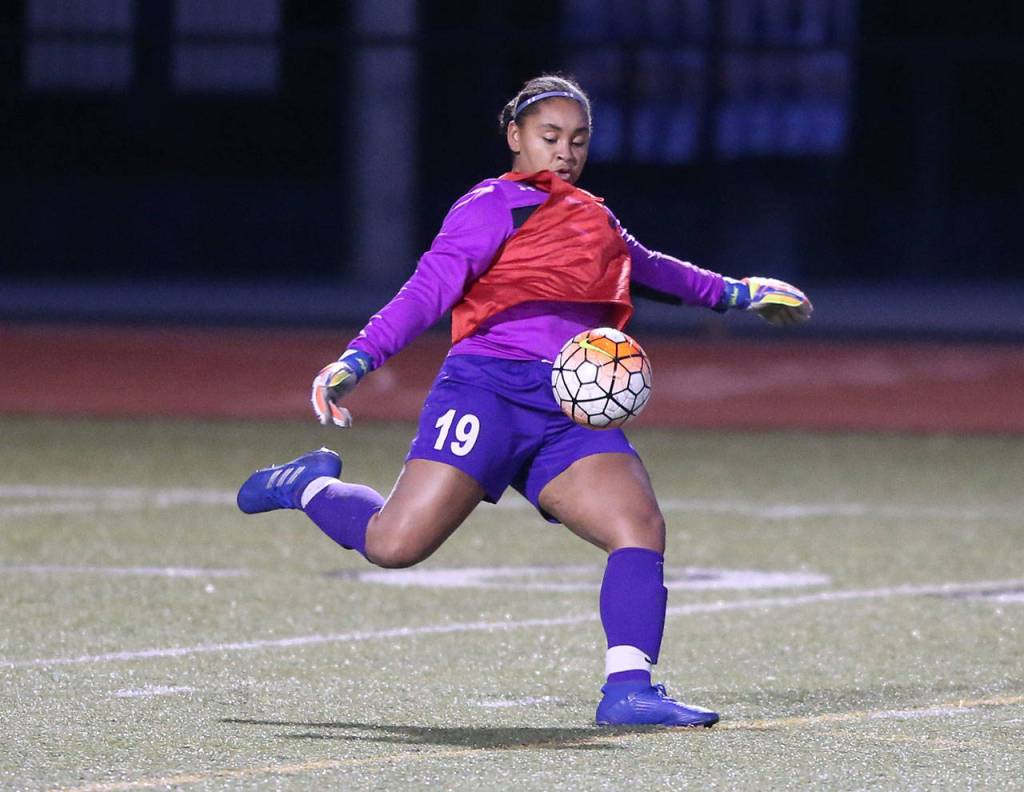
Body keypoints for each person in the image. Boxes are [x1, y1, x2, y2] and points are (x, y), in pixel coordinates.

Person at [237, 74, 812, 728]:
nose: (565, 151)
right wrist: (359, 357)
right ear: (515, 136)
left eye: (578, 140)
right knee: (395, 545)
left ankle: (628, 691)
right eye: (550, 136)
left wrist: (741, 293)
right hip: (487, 391)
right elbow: (428, 289)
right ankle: (308, 485)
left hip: (566, 406)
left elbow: (650, 268)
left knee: (638, 527)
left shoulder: (594, 215)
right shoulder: (490, 206)